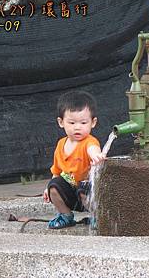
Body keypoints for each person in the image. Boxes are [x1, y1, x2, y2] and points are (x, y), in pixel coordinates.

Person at [43, 90, 105, 229]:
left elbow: (93, 149)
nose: (77, 127)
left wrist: (96, 155)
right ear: (61, 122)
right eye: (71, 122)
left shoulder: (89, 142)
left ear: (93, 123)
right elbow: (57, 172)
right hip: (71, 192)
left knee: (84, 187)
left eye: (83, 122)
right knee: (54, 185)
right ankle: (65, 216)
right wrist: (48, 189)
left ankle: (98, 216)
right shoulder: (61, 145)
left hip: (89, 194)